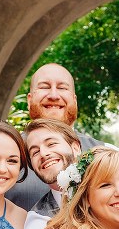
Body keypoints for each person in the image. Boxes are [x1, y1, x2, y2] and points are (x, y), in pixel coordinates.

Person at [6, 63, 103, 211]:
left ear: (74, 100)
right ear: (29, 99)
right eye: (44, 87)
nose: (53, 95)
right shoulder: (5, 152)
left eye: (62, 88)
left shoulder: (105, 152)